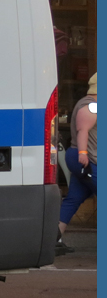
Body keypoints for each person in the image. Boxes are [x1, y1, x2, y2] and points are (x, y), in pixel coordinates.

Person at [58, 72, 97, 254]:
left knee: (74, 198)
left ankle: (54, 238)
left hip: (82, 159)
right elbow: (83, 130)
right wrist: (83, 153)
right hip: (86, 159)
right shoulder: (91, 106)